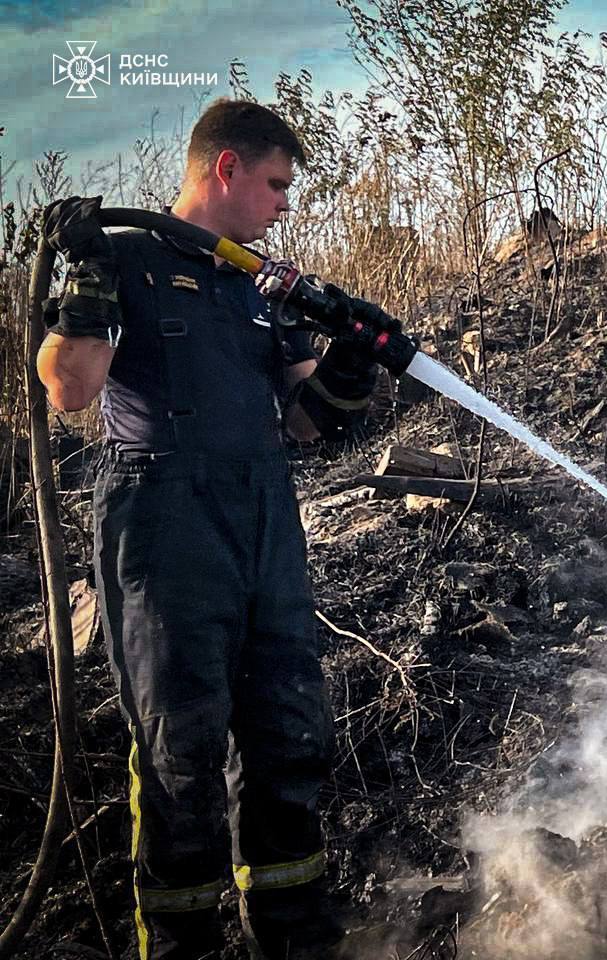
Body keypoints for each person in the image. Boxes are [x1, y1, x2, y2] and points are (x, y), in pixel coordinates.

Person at [37, 99, 381, 960]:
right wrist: (80, 274)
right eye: (275, 184)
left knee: (289, 732)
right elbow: (68, 386)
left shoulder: (254, 284)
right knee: (180, 751)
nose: (284, 204)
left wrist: (350, 351)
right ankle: (183, 945)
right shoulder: (125, 257)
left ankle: (294, 937)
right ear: (225, 168)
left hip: (264, 516)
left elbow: (310, 421)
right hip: (164, 519)